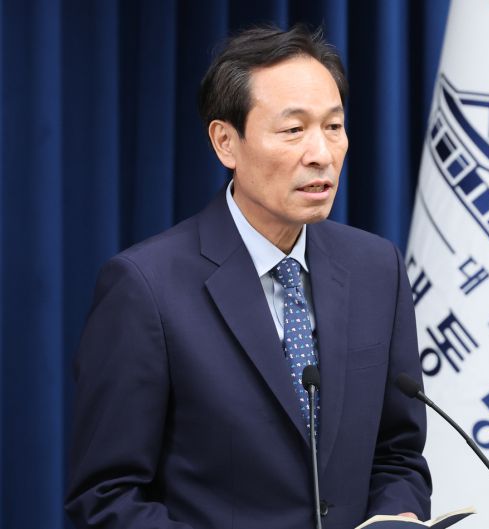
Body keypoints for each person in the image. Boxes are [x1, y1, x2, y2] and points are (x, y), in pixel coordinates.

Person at [65, 24, 432, 529]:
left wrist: (395, 515)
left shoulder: (377, 269)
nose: (321, 154)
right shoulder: (145, 287)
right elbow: (106, 497)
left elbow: (398, 454)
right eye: (293, 130)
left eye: (333, 126)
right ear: (225, 142)